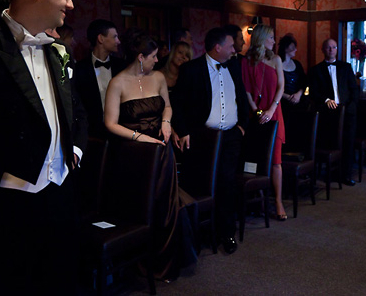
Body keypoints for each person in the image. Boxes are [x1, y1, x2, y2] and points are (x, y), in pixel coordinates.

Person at [0, 0, 88, 294]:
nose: (71, 3)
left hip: (62, 194)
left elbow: (77, 112)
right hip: (7, 206)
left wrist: (73, 151)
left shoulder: (57, 50)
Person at [104, 29, 197, 281]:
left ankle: (166, 263)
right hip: (133, 153)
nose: (159, 60)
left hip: (161, 148)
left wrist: (167, 123)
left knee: (165, 206)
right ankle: (138, 265)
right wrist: (140, 138)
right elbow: (110, 123)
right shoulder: (118, 82)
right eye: (154, 56)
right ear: (141, 57)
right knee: (141, 206)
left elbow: (167, 106)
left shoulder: (157, 78)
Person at [172, 27, 249, 254]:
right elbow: (177, 103)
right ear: (218, 47)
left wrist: (242, 127)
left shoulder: (234, 65)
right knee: (199, 183)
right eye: (230, 45)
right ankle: (199, 234)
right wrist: (183, 130)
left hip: (231, 137)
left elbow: (241, 96)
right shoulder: (191, 69)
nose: (234, 49)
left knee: (226, 183)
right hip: (203, 138)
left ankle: (226, 233)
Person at [241, 25, 287, 220]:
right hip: (255, 115)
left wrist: (270, 110)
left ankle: (278, 201)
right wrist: (255, 109)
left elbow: (281, 87)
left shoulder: (275, 59)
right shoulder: (246, 61)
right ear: (261, 38)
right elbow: (246, 90)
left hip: (274, 113)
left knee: (276, 161)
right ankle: (256, 197)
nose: (274, 41)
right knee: (253, 160)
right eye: (270, 37)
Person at [308, 38, 359, 186]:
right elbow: (314, 93)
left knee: (348, 144)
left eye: (333, 47)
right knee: (330, 143)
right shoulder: (316, 70)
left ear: (337, 49)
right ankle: (329, 174)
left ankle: (346, 175)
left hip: (347, 112)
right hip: (327, 113)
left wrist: (350, 107)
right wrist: (326, 100)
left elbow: (353, 89)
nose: (331, 50)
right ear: (323, 50)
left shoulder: (346, 67)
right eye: (328, 48)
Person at [75, 19, 126, 139]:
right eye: (114, 37)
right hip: (91, 135)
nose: (118, 41)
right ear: (101, 39)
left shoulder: (122, 66)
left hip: (120, 132)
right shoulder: (79, 69)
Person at [278, 33, 309, 112]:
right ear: (285, 48)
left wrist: (298, 94)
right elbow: (274, 86)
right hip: (282, 102)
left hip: (298, 101)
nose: (295, 49)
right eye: (293, 47)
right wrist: (288, 97)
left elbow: (304, 82)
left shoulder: (297, 64)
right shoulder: (277, 64)